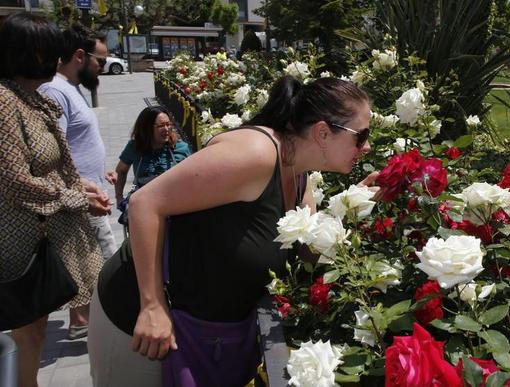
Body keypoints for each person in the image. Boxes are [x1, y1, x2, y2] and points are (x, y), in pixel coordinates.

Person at [89, 75, 377, 386]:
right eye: (361, 136)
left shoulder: (299, 175)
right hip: (138, 319)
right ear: (322, 132)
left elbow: (308, 255)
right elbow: (144, 204)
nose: (368, 146)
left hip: (197, 328)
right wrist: (152, 306)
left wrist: (351, 206)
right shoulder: (255, 154)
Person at [0, 12, 111, 387]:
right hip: (25, 241)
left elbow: (48, 165)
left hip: (49, 233)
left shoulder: (29, 98)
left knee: (34, 330)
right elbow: (15, 181)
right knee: (29, 332)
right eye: (49, 51)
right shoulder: (4, 102)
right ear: (27, 52)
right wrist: (76, 196)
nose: (56, 59)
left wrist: (81, 183)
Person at [39, 24, 119, 340]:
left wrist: (100, 173)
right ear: (79, 56)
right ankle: (110, 323)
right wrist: (82, 185)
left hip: (89, 189)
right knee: (109, 262)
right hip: (81, 197)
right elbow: (51, 150)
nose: (101, 66)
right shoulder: (56, 91)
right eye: (99, 60)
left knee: (87, 262)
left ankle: (84, 321)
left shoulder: (70, 87)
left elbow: (77, 141)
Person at [114, 106, 192, 224]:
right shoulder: (135, 147)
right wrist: (119, 198)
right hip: (146, 209)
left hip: (176, 208)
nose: (166, 129)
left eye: (168, 124)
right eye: (161, 126)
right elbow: (121, 170)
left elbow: (193, 175)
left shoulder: (181, 148)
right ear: (146, 128)